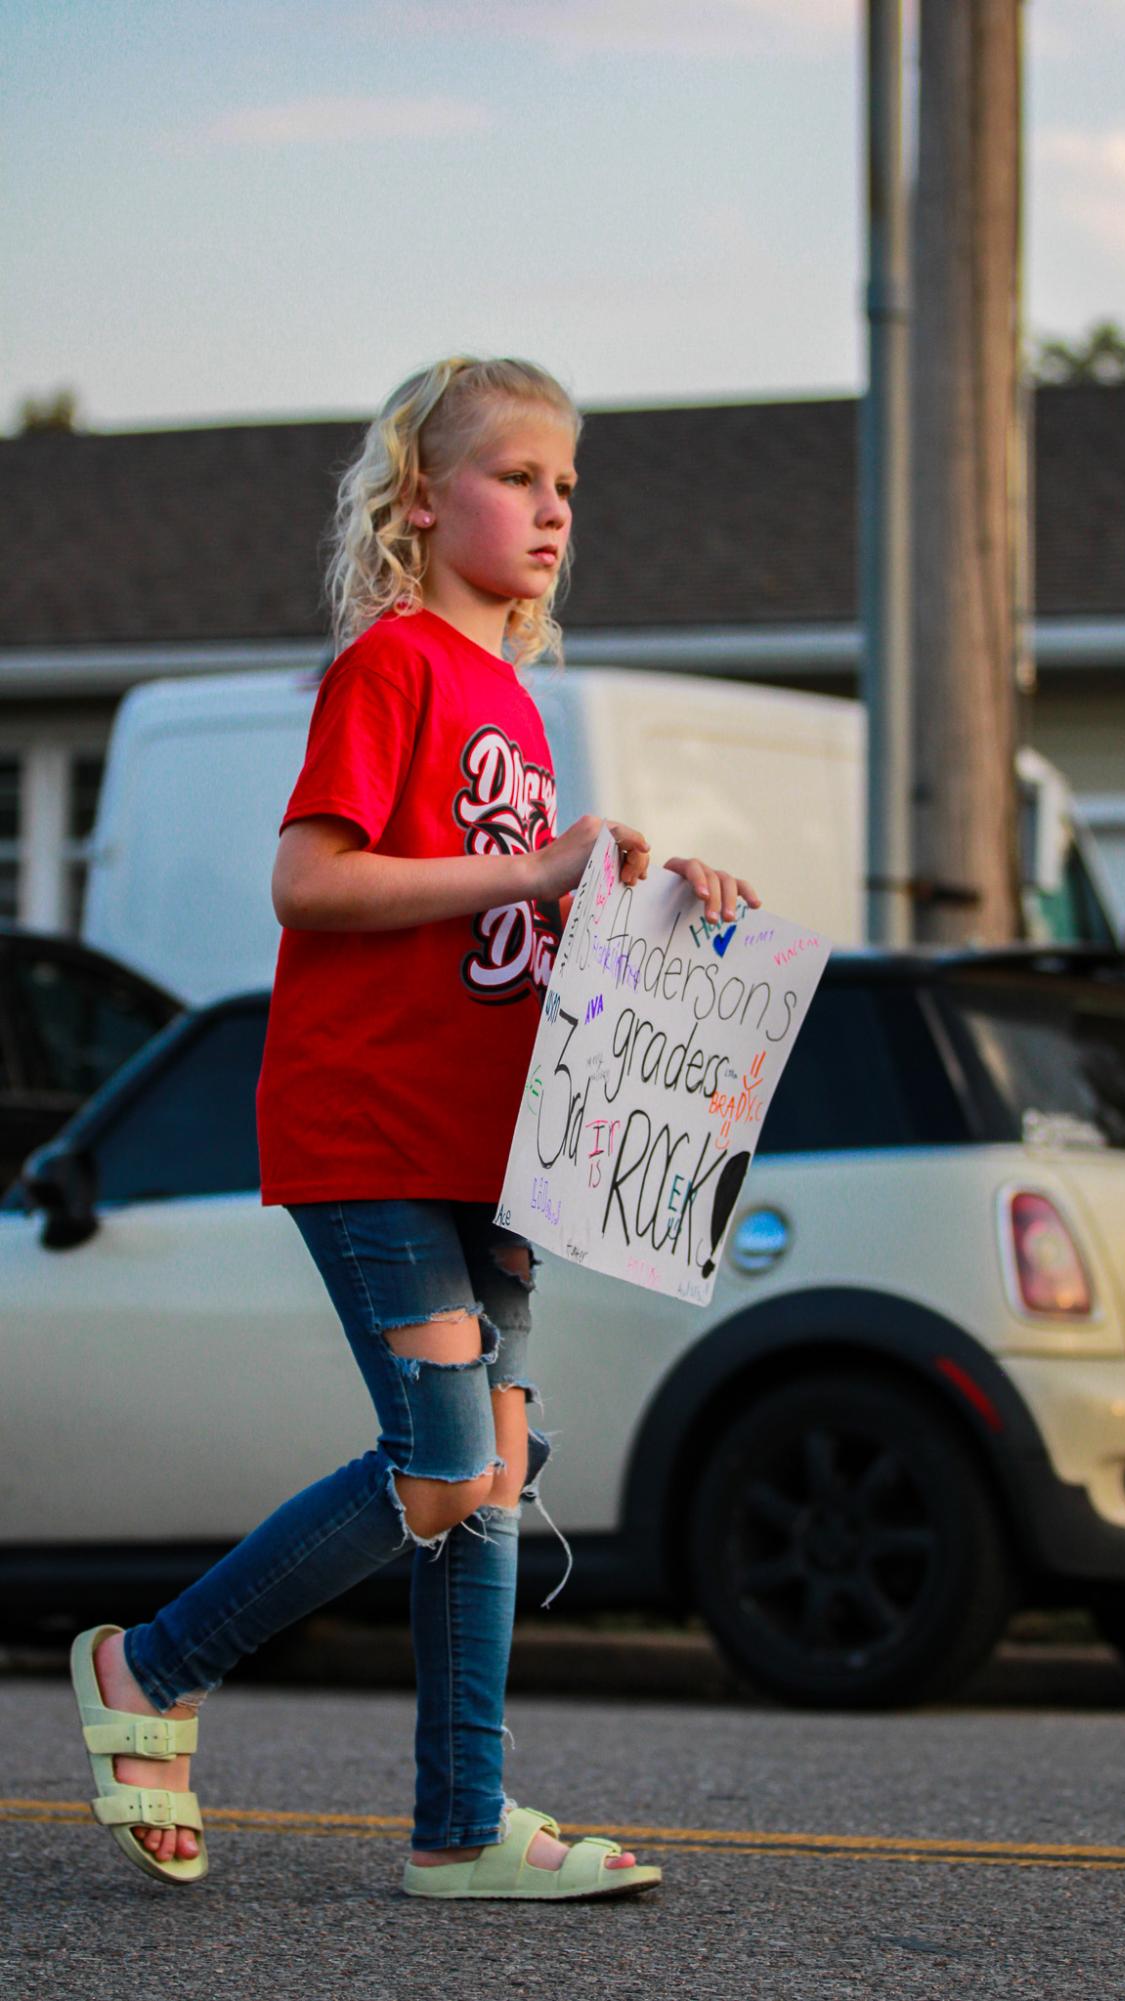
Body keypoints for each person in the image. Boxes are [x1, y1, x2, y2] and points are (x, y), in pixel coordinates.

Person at [69, 353, 760, 1901]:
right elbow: (311, 881)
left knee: (496, 1478)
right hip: (372, 1126)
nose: (550, 507)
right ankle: (149, 1665)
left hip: (493, 1147)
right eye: (518, 475)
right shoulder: (391, 666)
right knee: (442, 1459)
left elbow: (509, 936)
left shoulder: (512, 695)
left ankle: (464, 1822)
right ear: (424, 494)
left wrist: (650, 892)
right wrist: (532, 871)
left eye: (566, 483)